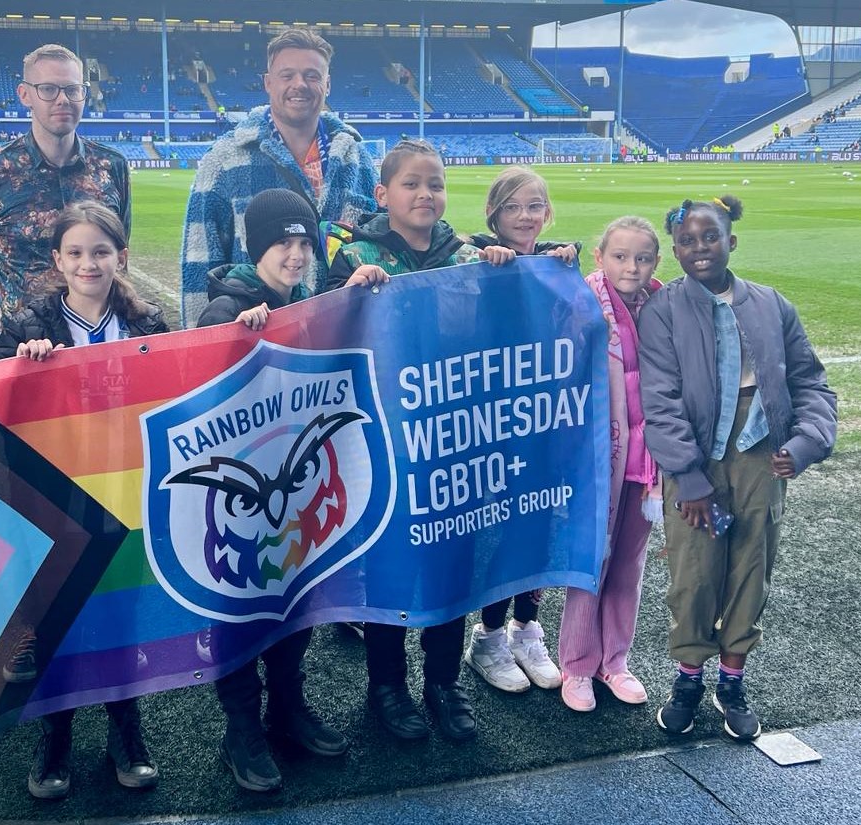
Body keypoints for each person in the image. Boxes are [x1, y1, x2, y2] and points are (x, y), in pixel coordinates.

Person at [324, 139, 515, 742]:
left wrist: (531, 265)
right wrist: (348, 289)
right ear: (383, 194)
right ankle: (387, 686)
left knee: (450, 563)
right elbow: (322, 329)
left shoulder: (467, 253)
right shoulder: (353, 254)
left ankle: (442, 681)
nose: (425, 194)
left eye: (434, 184)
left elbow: (523, 297)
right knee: (391, 565)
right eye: (411, 184)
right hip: (384, 440)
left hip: (451, 440)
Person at [195, 189, 378, 791]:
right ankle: (242, 729)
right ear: (257, 247)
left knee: (295, 605)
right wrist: (235, 334)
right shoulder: (229, 304)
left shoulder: (303, 302)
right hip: (244, 500)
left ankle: (288, 711)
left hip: (294, 490)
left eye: (304, 243)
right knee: (243, 612)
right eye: (283, 243)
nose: (296, 255)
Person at [638, 195, 837, 741]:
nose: (699, 249)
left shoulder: (772, 304)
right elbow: (660, 400)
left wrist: (804, 444)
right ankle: (687, 678)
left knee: (752, 566)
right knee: (695, 572)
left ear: (732, 241)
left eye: (710, 237)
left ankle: (732, 679)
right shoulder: (663, 310)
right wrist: (689, 477)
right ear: (674, 249)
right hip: (696, 458)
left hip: (759, 454)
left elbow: (810, 382)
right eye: (686, 241)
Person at [0, 200, 164, 800]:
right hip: (55, 502)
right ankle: (55, 737)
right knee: (58, 619)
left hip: (126, 497)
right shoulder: (25, 326)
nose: (88, 263)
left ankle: (127, 732)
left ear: (120, 256)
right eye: (75, 252)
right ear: (56, 261)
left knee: (122, 617)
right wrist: (19, 367)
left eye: (100, 251)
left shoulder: (149, 327)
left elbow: (185, 393)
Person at [459, 167, 577, 694]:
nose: (525, 217)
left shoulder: (556, 261)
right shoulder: (475, 255)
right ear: (494, 215)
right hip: (495, 421)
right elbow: (456, 256)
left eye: (534, 206)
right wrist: (483, 259)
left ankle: (527, 628)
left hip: (546, 419)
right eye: (513, 207)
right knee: (502, 526)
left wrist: (564, 258)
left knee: (542, 522)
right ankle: (486, 638)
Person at [180, 27, 378, 326]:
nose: (300, 84)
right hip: (261, 351)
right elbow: (199, 266)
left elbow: (381, 243)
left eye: (312, 75)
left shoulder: (356, 158)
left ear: (327, 85)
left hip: (344, 342)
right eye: (287, 75)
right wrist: (202, 355)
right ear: (268, 83)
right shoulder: (224, 161)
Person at [558, 217, 663, 712]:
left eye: (642, 258)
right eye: (620, 256)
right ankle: (577, 664)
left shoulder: (664, 305)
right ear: (599, 257)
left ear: (655, 263)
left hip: (649, 459)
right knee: (591, 560)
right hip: (597, 456)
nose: (632, 267)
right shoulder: (581, 301)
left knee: (628, 563)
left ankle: (614, 660)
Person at [0, 43, 132, 320]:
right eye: (48, 89)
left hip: (95, 340)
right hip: (21, 348)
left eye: (72, 90)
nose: (63, 99)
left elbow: (119, 256)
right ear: (25, 95)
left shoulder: (112, 167)